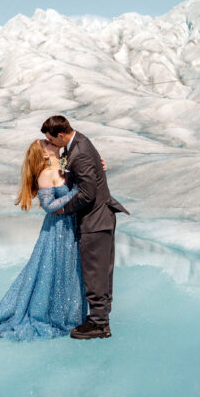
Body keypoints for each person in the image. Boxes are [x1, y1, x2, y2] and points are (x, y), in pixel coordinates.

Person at [0, 139, 86, 340]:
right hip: (57, 229)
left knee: (70, 270)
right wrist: (76, 193)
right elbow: (49, 206)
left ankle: (71, 315)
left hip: (72, 227)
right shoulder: (45, 174)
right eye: (47, 143)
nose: (51, 141)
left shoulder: (63, 165)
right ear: (45, 154)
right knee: (52, 269)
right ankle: (48, 314)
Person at [41, 115, 129, 339]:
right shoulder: (80, 143)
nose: (52, 144)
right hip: (102, 218)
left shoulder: (78, 153)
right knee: (101, 272)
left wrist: (63, 209)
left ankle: (99, 325)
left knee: (95, 273)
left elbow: (88, 194)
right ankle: (99, 317)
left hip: (95, 220)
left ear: (61, 135)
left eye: (52, 139)